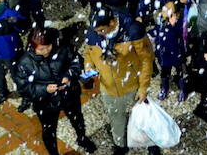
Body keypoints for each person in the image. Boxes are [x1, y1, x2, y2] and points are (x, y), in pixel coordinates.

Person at [82, 8, 158, 155]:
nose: (98, 34)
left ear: (112, 23)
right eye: (96, 31)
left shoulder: (133, 31)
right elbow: (89, 52)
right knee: (116, 119)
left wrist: (143, 87)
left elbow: (146, 60)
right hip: (109, 88)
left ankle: (151, 143)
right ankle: (120, 145)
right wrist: (88, 65)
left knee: (144, 116)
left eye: (102, 30)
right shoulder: (93, 32)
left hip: (133, 83)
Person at [14, 27, 98, 155]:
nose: (46, 51)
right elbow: (23, 87)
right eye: (41, 49)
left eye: (48, 46)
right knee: (49, 130)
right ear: (33, 47)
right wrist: (45, 89)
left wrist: (68, 75)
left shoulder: (62, 48)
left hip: (69, 94)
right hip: (45, 102)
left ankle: (82, 138)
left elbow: (77, 61)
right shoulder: (25, 62)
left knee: (77, 120)